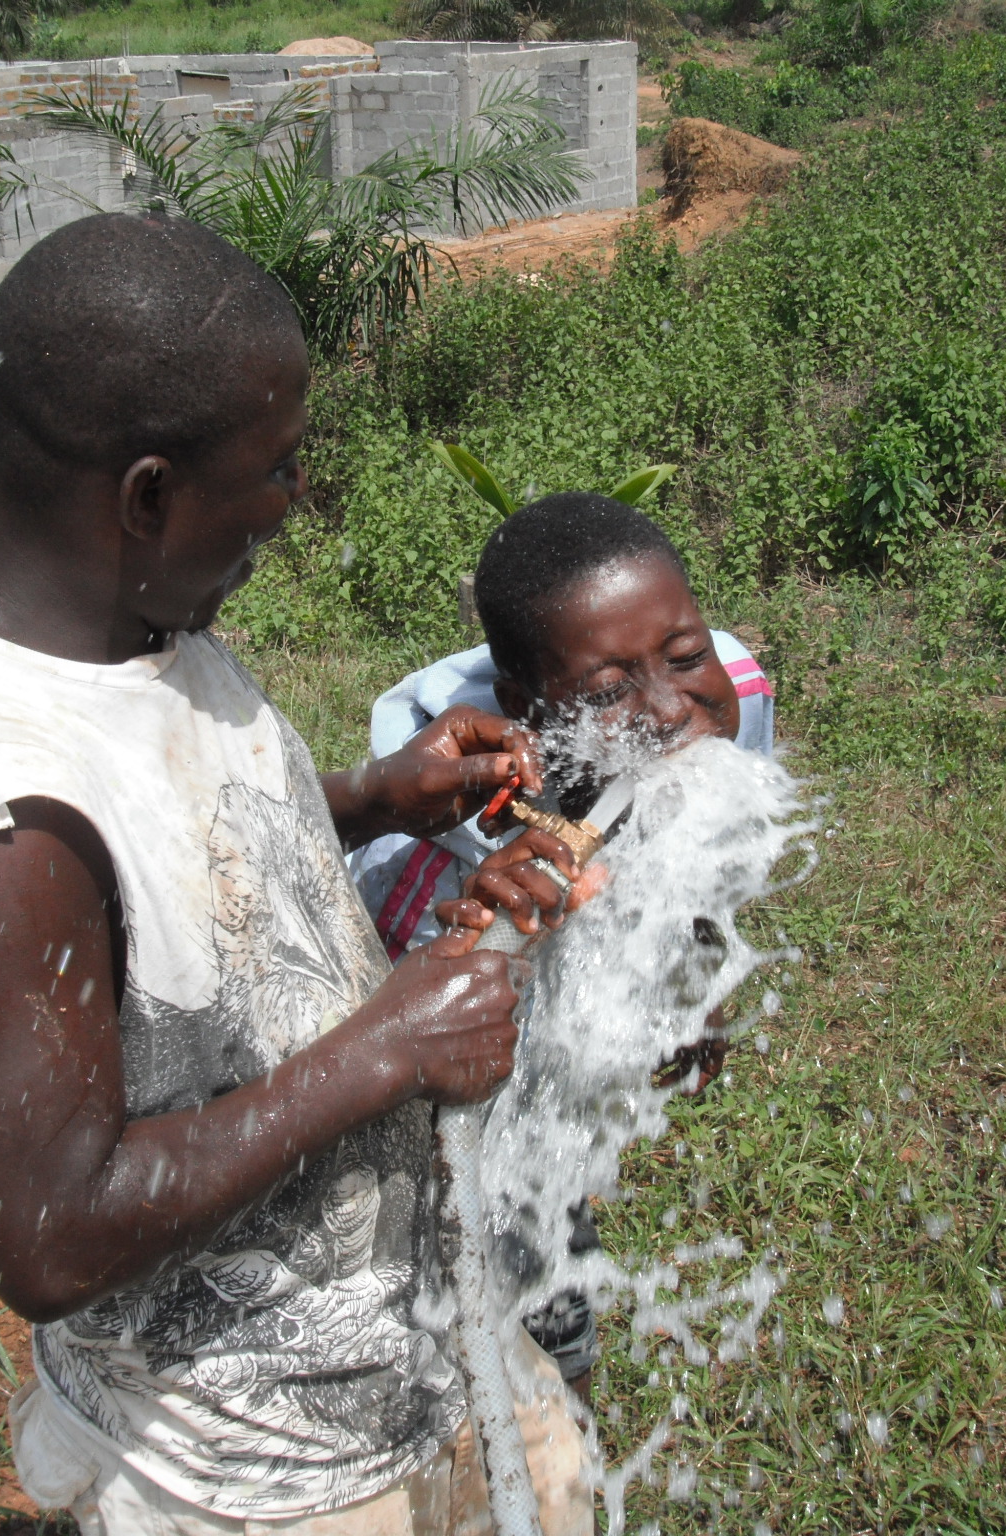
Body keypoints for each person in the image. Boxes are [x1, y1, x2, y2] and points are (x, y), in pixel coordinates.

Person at [0, 213, 590, 1536]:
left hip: (413, 1355)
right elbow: (48, 1232)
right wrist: (386, 1051)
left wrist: (369, 801)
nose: (295, 499)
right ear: (146, 496)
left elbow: (156, 856)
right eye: (278, 467)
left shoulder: (126, 627)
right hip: (252, 1483)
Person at [346, 492, 775, 1400]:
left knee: (547, 1177)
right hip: (414, 961)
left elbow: (705, 869)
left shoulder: (731, 698)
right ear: (524, 704)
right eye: (609, 692)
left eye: (685, 655)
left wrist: (691, 992)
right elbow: (434, 987)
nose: (668, 707)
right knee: (465, 1155)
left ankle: (558, 1369)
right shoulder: (457, 794)